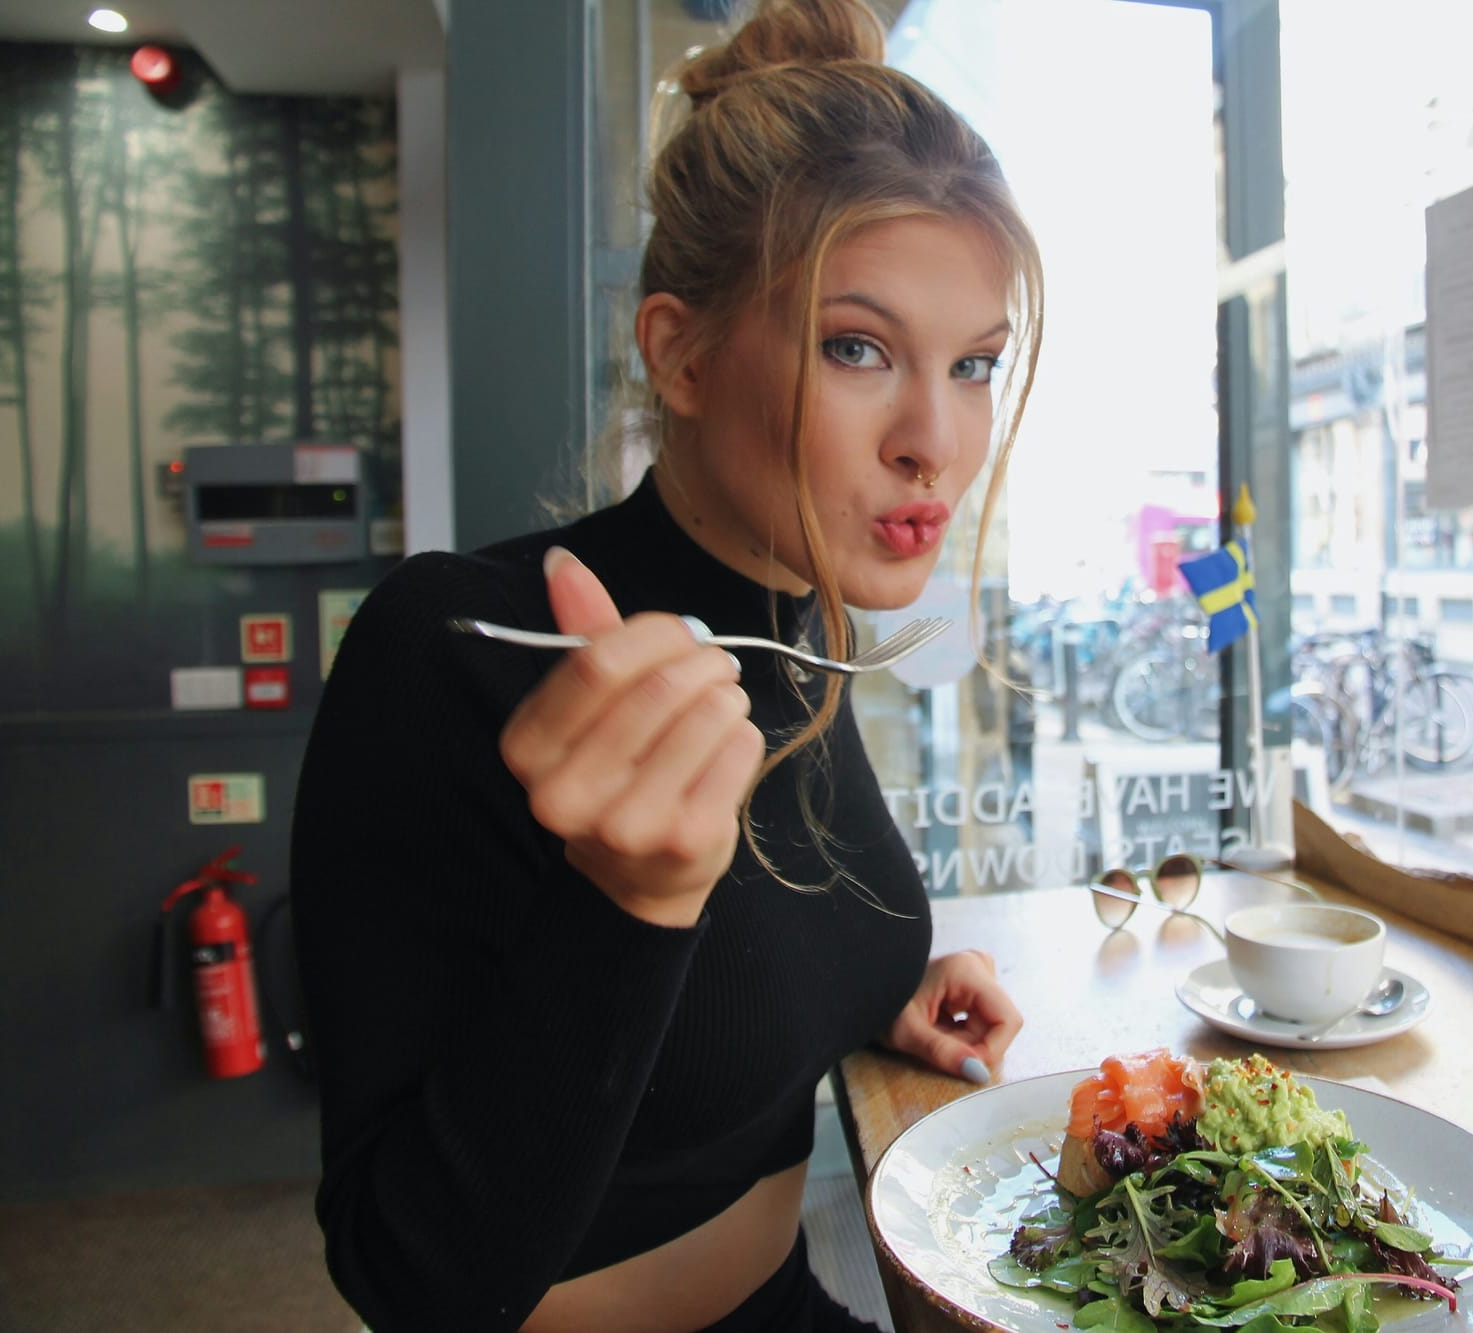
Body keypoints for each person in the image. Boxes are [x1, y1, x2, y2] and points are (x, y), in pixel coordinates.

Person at [288, 1, 1044, 1329]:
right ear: (679, 351)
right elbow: (404, 1275)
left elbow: (725, 990)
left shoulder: (802, 623)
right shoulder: (458, 645)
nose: (937, 438)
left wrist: (876, 992)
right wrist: (625, 900)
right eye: (858, 348)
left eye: (974, 363)